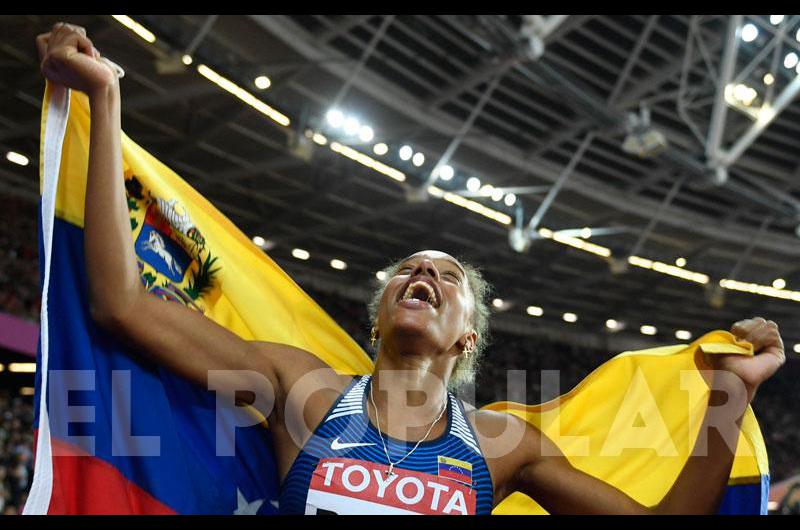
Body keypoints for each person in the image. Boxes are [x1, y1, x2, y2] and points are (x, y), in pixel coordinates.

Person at [36, 22, 786, 515]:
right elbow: (122, 306)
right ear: (379, 315)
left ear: (467, 339)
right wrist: (107, 101)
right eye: (408, 271)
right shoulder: (305, 395)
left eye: (447, 277)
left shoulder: (502, 447)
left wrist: (729, 392)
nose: (423, 275)